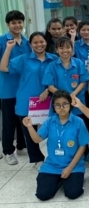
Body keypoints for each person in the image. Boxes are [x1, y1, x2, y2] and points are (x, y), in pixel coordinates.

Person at [22, 90, 89, 201]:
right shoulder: (49, 122)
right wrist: (29, 126)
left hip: (74, 165)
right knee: (42, 195)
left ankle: (70, 179)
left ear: (70, 104)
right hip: (52, 165)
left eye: (65, 104)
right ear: (53, 106)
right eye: (58, 105)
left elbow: (82, 146)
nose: (61, 108)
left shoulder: (78, 122)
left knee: (73, 193)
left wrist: (69, 168)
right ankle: (58, 180)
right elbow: (37, 139)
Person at [0, 32, 57, 167]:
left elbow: (58, 77)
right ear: (30, 44)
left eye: (41, 41)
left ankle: (56, 157)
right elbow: (3, 67)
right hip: (27, 102)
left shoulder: (54, 58)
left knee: (52, 130)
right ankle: (37, 159)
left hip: (49, 101)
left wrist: (48, 90)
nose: (39, 45)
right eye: (35, 42)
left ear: (46, 42)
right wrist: (8, 49)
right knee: (30, 132)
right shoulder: (24, 59)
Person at [43, 37, 89, 137]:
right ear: (56, 50)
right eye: (61, 48)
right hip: (59, 103)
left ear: (72, 49)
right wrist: (64, 97)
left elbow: (83, 82)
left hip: (76, 102)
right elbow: (50, 86)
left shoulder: (79, 63)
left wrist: (73, 94)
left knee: (78, 132)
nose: (65, 50)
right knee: (60, 131)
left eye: (68, 47)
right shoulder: (52, 66)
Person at [0, 10, 31, 165]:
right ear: (8, 24)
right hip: (7, 89)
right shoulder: (2, 41)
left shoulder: (27, 42)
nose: (17, 25)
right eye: (13, 23)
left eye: (20, 22)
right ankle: (8, 151)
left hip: (24, 88)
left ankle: (21, 146)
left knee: (22, 118)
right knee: (9, 121)